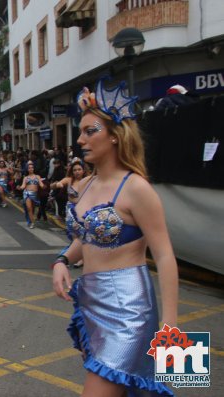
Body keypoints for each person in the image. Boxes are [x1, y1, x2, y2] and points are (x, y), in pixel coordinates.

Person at [52, 79, 178, 397]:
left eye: (90, 131)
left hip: (128, 309)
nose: (80, 139)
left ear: (115, 135)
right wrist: (63, 259)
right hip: (91, 301)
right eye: (80, 131)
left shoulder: (137, 188)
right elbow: (86, 237)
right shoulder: (85, 186)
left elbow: (164, 256)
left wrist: (171, 325)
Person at [16, 161, 44, 228]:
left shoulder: (37, 176)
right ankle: (32, 223)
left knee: (33, 209)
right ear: (27, 169)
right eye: (29, 168)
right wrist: (20, 188)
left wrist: (44, 186)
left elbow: (41, 184)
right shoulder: (25, 178)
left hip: (35, 195)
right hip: (27, 194)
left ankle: (30, 220)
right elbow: (23, 186)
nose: (31, 169)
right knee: (29, 208)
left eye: (32, 168)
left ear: (34, 168)